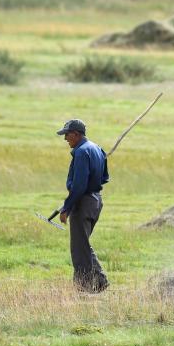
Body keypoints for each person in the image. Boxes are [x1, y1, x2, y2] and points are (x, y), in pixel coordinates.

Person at [56, 119, 110, 293]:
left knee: (79, 249)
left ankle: (84, 287)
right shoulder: (98, 149)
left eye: (67, 135)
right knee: (83, 244)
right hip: (96, 201)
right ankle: (99, 280)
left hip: (84, 202)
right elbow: (104, 178)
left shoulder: (81, 152)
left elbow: (79, 186)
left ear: (77, 134)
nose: (65, 139)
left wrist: (66, 207)